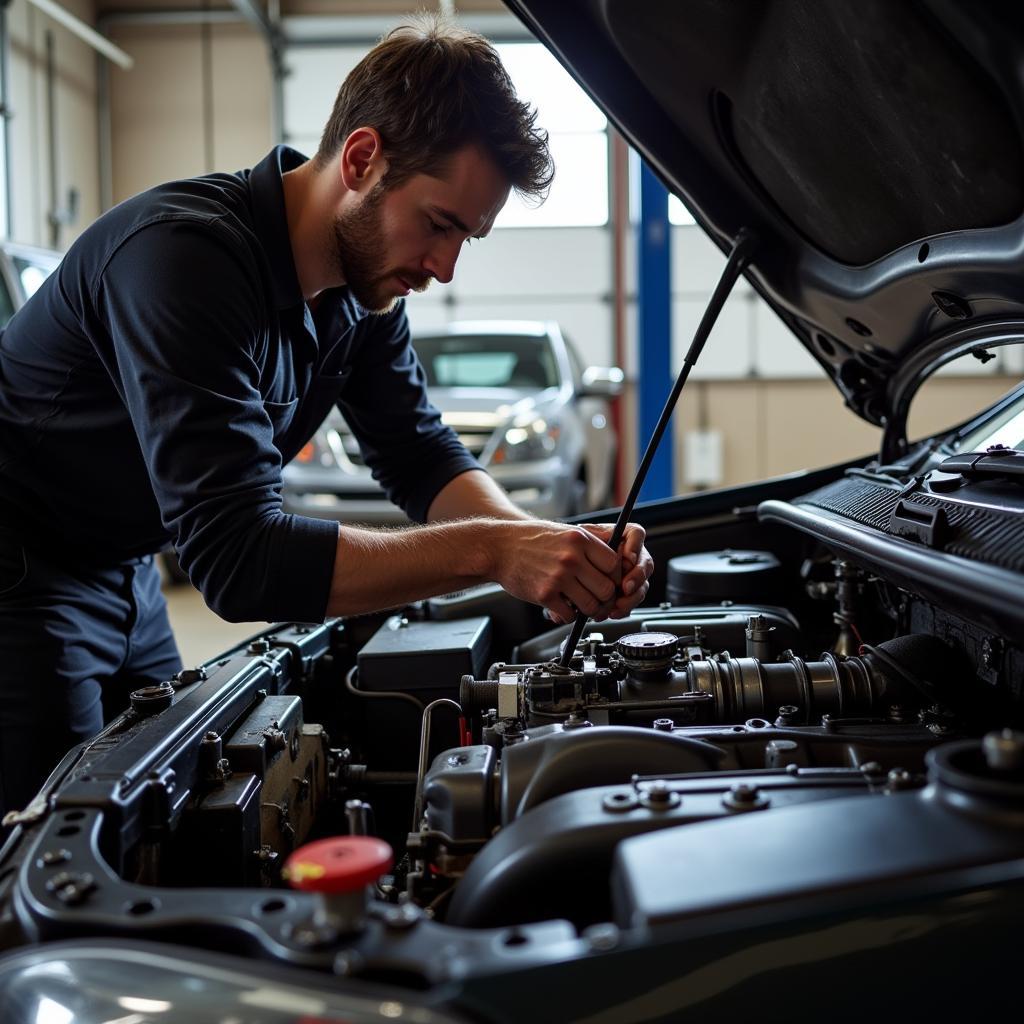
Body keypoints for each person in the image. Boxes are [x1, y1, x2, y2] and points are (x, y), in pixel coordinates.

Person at [0, 13, 653, 817]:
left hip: (127, 568)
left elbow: (418, 455)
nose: (444, 267)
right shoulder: (186, 262)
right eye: (441, 224)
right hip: (23, 574)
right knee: (60, 843)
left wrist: (544, 546)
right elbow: (241, 562)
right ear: (362, 158)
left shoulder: (361, 294)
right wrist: (494, 552)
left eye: (468, 239)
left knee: (178, 805)